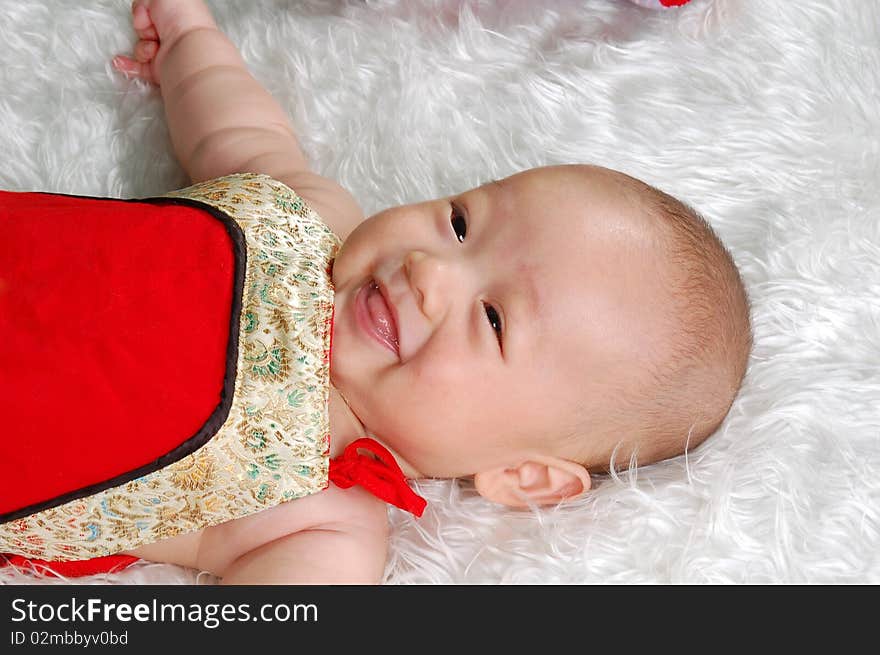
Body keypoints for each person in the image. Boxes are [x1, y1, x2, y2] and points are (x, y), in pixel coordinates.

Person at [0, 0, 750, 584]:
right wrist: (188, 34)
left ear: (524, 475)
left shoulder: (323, 519)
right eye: (460, 222)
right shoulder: (314, 220)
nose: (431, 270)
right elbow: (234, 127)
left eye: (492, 319)